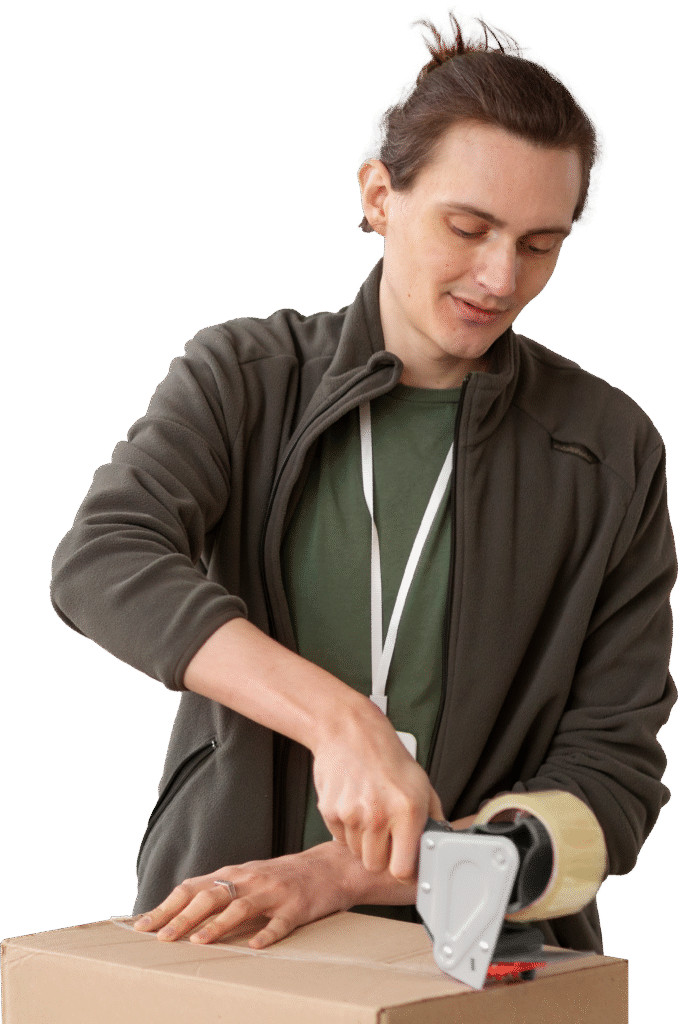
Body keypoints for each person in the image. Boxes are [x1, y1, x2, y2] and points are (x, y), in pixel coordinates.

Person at [50, 8, 676, 957]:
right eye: (469, 227)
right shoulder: (244, 376)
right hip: (222, 936)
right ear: (380, 196)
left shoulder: (609, 447)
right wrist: (343, 722)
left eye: (540, 244)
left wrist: (355, 872)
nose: (499, 277)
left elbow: (613, 785)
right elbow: (101, 559)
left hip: (484, 966)